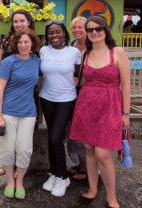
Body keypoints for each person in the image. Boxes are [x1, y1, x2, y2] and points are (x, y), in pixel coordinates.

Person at [69, 15, 131, 208]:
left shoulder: (117, 52)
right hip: (87, 106)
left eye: (98, 29)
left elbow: (127, 85)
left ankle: (111, 195)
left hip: (111, 106)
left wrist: (126, 114)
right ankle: (93, 189)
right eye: (90, 30)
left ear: (106, 30)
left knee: (103, 154)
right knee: (88, 150)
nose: (94, 32)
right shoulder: (85, 53)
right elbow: (82, 80)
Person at [0, 28, 41, 200]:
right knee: (7, 150)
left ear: (32, 44)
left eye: (26, 42)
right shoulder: (9, 62)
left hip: (28, 112)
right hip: (7, 111)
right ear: (16, 44)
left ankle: (19, 180)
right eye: (20, 42)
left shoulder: (36, 61)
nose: (23, 45)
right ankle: (10, 181)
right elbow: (0, 88)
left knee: (24, 150)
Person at [39, 20, 81, 197]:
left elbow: (78, 73)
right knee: (51, 138)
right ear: (47, 36)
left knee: (56, 137)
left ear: (64, 33)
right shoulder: (43, 51)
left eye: (58, 32)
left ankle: (63, 177)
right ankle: (54, 173)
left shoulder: (74, 52)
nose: (54, 35)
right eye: (51, 33)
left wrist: (76, 82)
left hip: (66, 99)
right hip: (47, 98)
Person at [0, 9, 35, 176]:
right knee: (4, 127)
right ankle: (3, 163)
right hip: (5, 88)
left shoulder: (33, 42)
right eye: (16, 21)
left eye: (22, 21)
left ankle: (20, 166)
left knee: (24, 133)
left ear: (29, 22)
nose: (18, 24)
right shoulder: (4, 42)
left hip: (27, 90)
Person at [66, 16, 88, 180]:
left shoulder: (93, 47)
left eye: (80, 27)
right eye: (74, 28)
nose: (77, 30)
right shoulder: (72, 45)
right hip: (73, 92)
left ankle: (87, 167)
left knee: (84, 130)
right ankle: (79, 163)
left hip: (87, 93)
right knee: (73, 128)